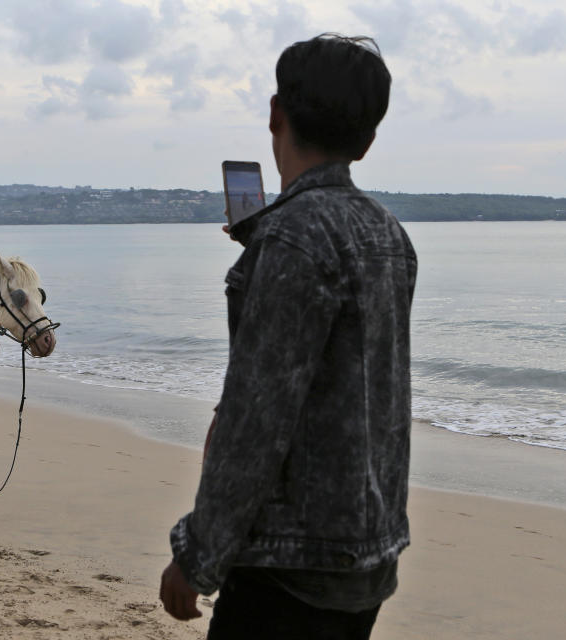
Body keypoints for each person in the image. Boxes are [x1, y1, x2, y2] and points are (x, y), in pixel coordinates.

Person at [159, 34, 417, 639]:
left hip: (289, 560)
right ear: (369, 138)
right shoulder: (389, 233)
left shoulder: (293, 239)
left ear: (276, 114)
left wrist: (197, 556)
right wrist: (264, 250)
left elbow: (257, 417)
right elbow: (348, 364)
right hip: (368, 549)